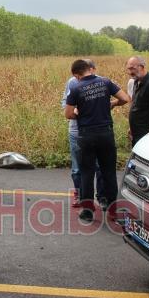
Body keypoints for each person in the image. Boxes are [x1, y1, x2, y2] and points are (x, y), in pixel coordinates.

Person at [65, 59, 129, 221]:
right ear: (90, 70)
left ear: (77, 74)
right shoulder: (106, 82)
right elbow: (125, 98)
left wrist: (81, 114)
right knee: (108, 172)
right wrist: (112, 104)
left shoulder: (75, 88)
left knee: (87, 173)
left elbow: (68, 114)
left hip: (86, 135)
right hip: (106, 134)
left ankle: (87, 211)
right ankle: (113, 209)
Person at [61, 59, 103, 206]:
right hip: (76, 130)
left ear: (92, 70)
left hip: (94, 131)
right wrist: (76, 111)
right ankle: (79, 194)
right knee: (77, 167)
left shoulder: (100, 83)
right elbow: (65, 105)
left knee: (98, 166)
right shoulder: (72, 83)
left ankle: (101, 196)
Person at [125, 56, 149, 147]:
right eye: (128, 69)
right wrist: (131, 127)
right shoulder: (136, 82)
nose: (130, 72)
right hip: (136, 131)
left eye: (132, 69)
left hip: (146, 132)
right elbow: (136, 105)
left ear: (141, 67)